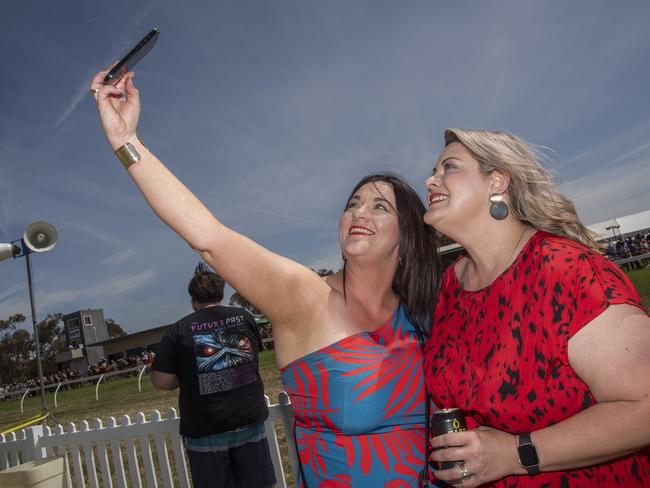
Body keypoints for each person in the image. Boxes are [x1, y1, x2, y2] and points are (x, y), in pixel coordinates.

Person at [89, 68, 441, 486]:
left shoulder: (423, 311)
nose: (359, 212)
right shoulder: (303, 296)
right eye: (353, 203)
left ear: (408, 235)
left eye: (380, 207)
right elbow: (209, 237)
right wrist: (125, 141)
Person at [422, 128, 650, 487]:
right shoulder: (451, 285)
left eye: (448, 167)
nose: (430, 179)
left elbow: (644, 408)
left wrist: (515, 453)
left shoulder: (566, 269)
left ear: (497, 181)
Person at [151, 263, 276, 488]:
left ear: (193, 298)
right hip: (249, 418)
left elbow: (162, 380)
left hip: (206, 426)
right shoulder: (244, 317)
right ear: (221, 292)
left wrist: (187, 375)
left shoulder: (179, 330)